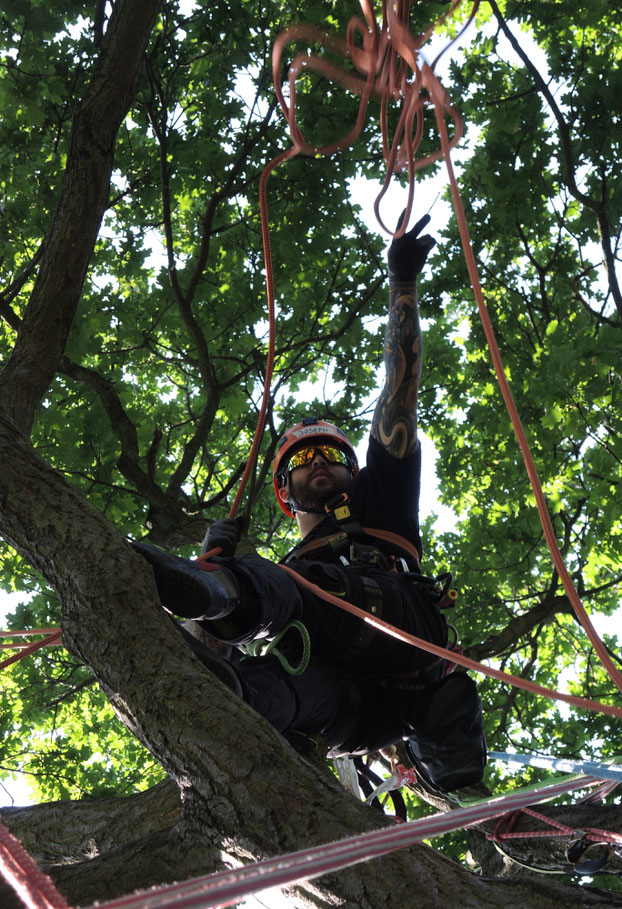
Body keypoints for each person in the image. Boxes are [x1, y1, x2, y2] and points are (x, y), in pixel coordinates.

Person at [132, 213, 486, 793]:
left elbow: (400, 395)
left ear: (355, 468)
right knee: (277, 684)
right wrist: (211, 561)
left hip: (399, 635)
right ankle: (226, 637)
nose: (315, 462)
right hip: (358, 713)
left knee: (297, 589)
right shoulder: (293, 570)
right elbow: (218, 644)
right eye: (299, 461)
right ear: (283, 492)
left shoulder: (382, 497)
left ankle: (225, 589)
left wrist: (402, 288)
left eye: (329, 454)